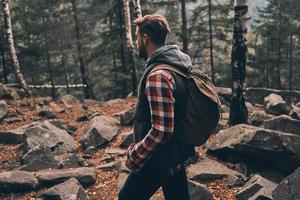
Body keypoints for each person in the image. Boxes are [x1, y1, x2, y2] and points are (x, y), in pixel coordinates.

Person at [118, 14, 195, 200]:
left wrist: (135, 154)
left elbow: (162, 130)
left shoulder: (158, 76)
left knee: (127, 197)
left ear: (145, 38)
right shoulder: (175, 66)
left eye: (137, 37)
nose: (137, 42)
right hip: (173, 153)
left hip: (158, 158)